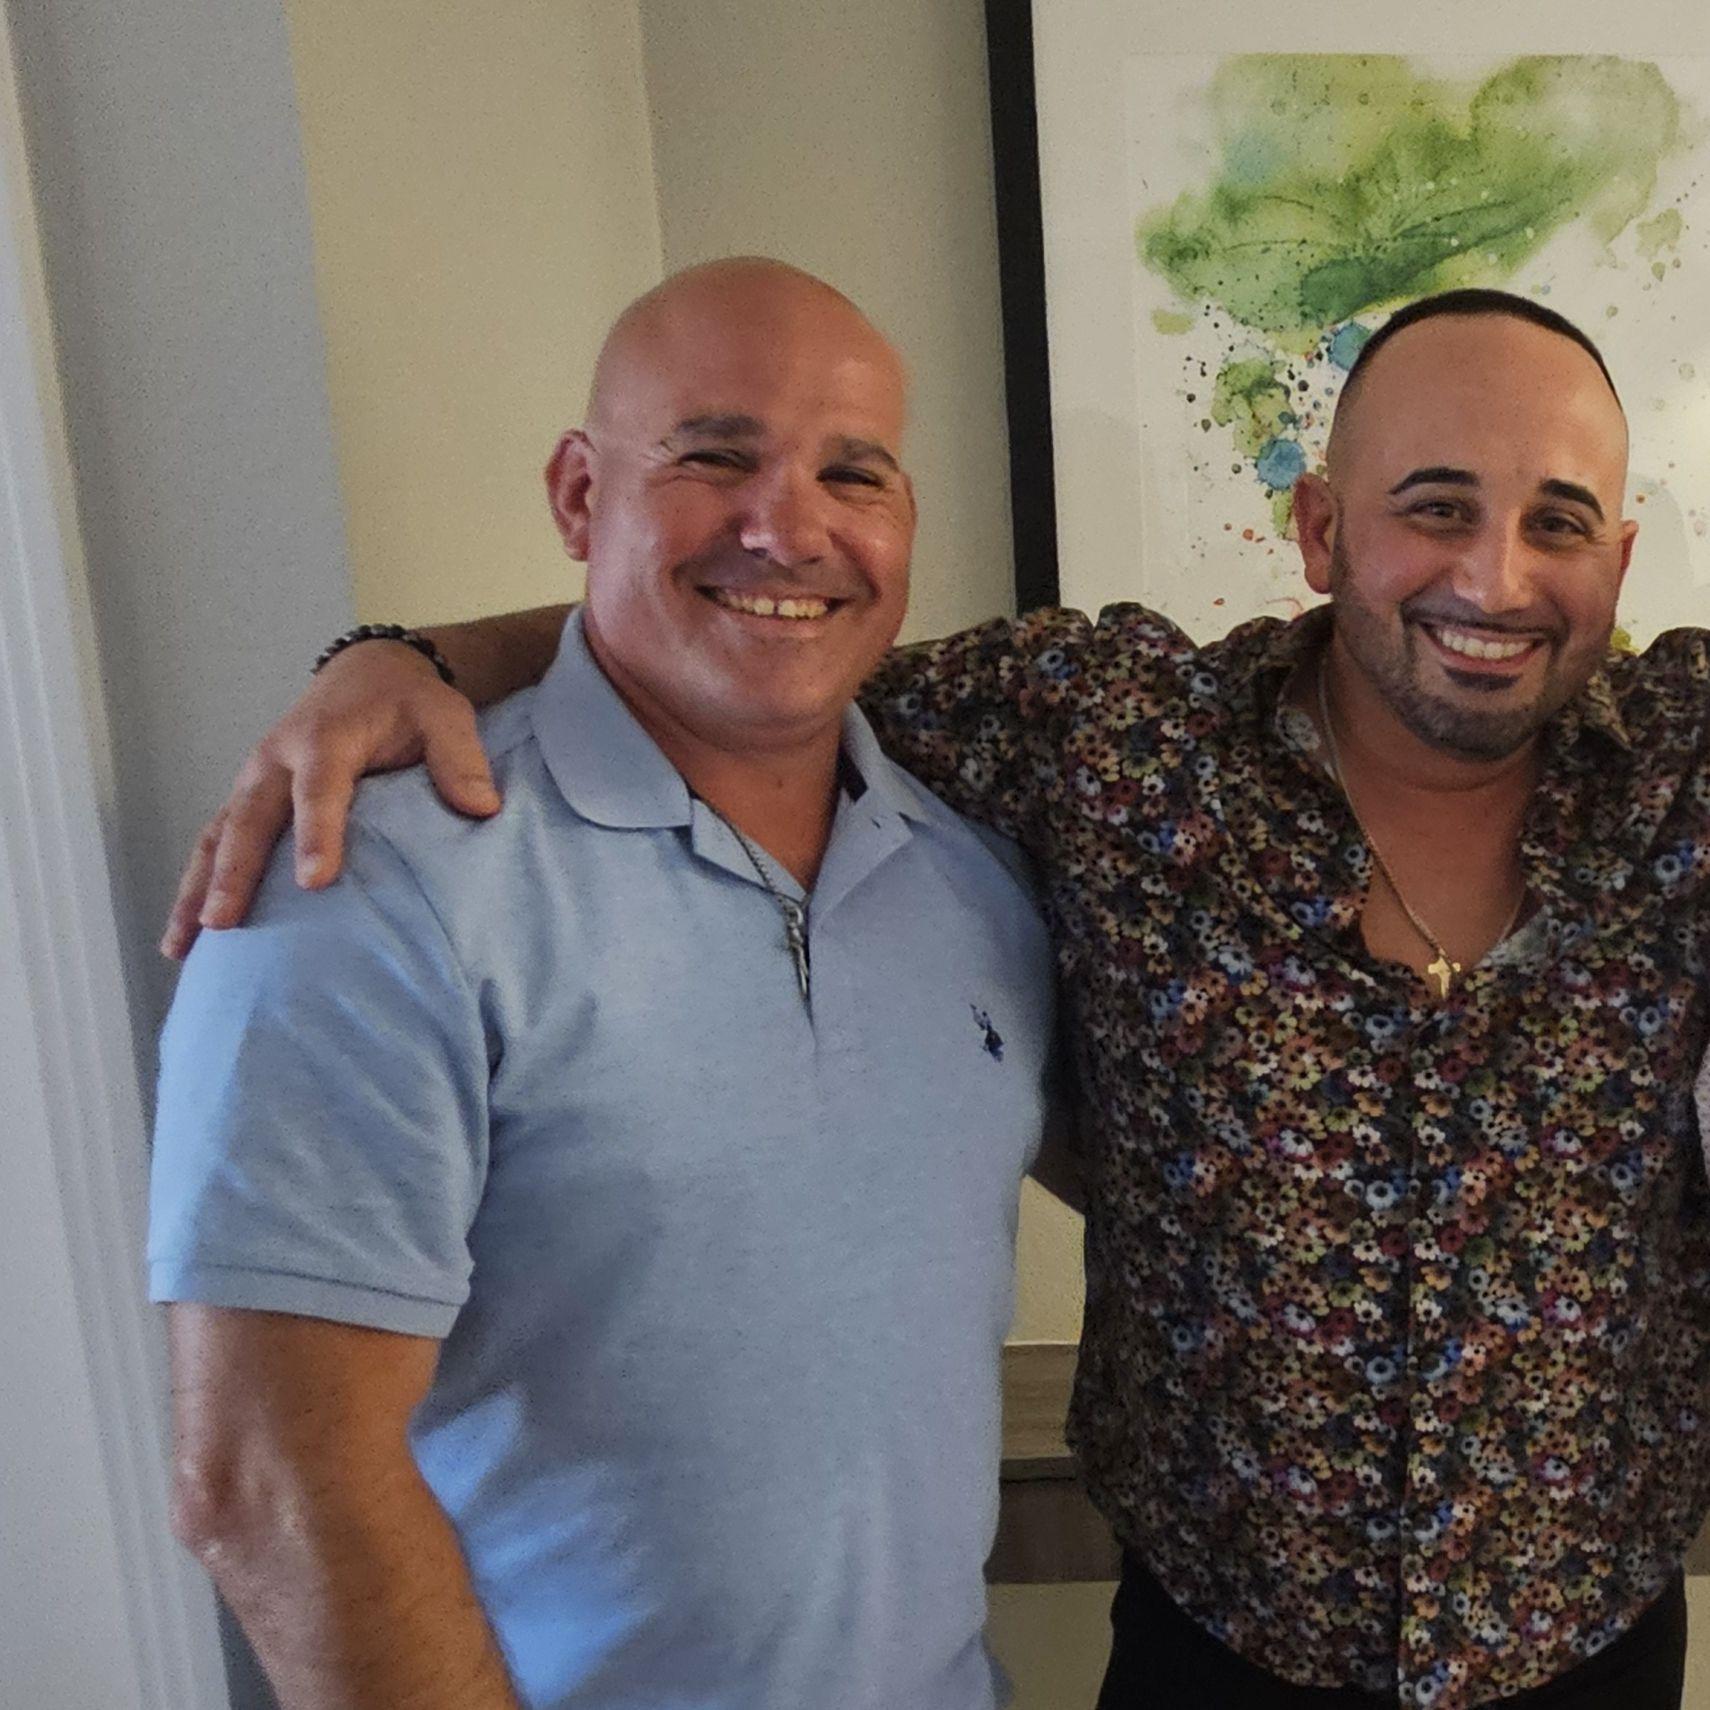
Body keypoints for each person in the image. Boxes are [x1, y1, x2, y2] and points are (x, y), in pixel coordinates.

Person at [164, 288, 1710, 1710]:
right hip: (1222, 1652)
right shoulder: (1112, 737)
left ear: (1618, 563)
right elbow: (748, 644)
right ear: (1318, 529)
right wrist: (403, 658)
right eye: (1432, 506)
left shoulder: (1680, 771)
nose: (1493, 574)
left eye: (1556, 521)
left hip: (1589, 1643)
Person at [150, 258, 1067, 1710]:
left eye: (853, 473)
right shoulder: (369, 887)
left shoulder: (973, 883)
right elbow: (266, 1481)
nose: (789, 526)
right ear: (580, 494)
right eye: (713, 458)